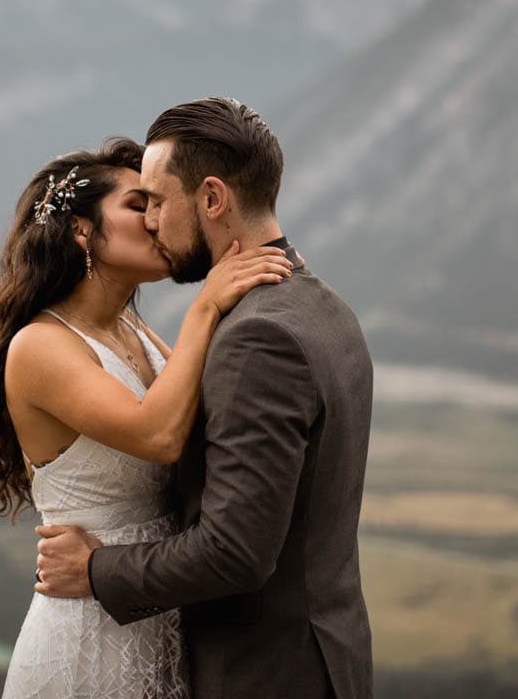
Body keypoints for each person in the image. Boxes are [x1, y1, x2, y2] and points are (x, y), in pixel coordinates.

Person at [34, 98, 375, 699]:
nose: (152, 224)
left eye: (158, 203)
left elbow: (235, 552)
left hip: (266, 675)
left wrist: (92, 568)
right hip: (322, 659)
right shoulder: (324, 307)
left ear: (213, 199)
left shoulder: (257, 337)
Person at [0, 135, 295, 699]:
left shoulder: (133, 331)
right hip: (86, 638)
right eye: (135, 205)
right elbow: (161, 434)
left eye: (155, 203)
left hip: (155, 616)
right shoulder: (39, 345)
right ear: (80, 229)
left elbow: (203, 419)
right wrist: (205, 307)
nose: (154, 219)